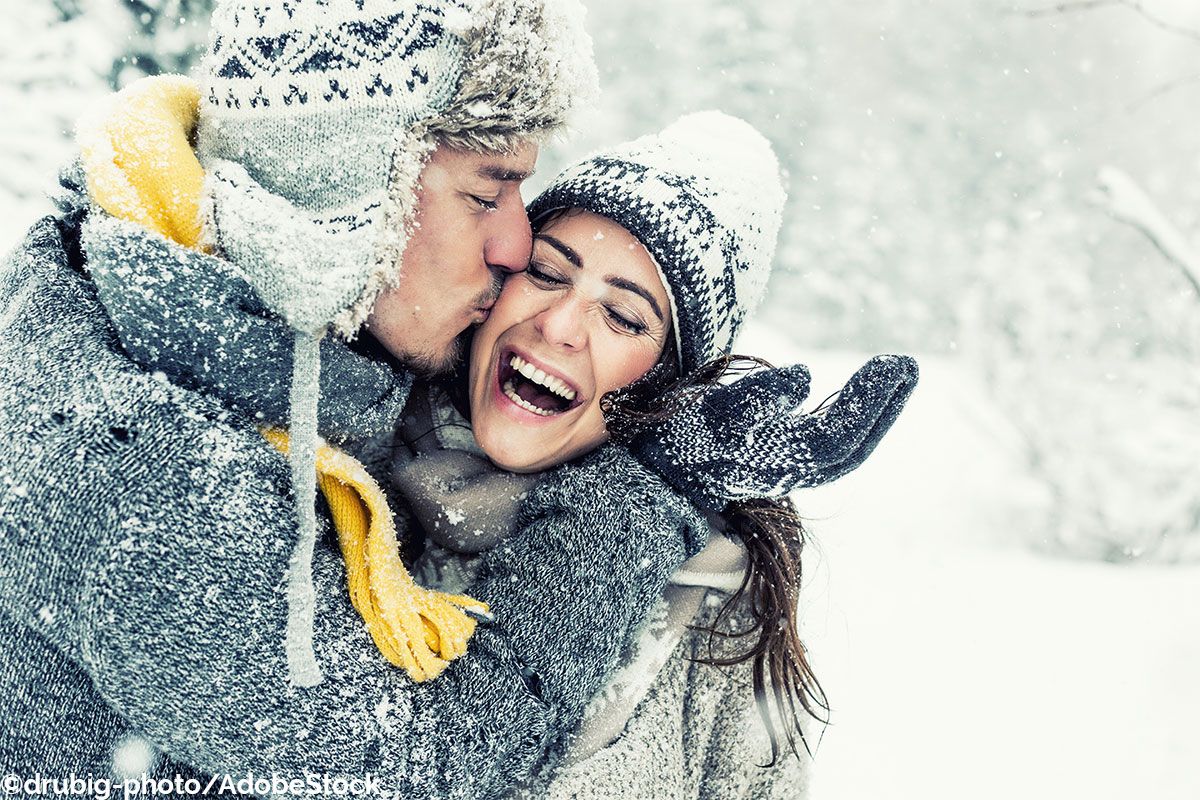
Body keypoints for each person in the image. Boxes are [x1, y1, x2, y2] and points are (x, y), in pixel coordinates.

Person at [390, 112, 920, 797]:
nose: (557, 325)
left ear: (667, 382)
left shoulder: (716, 614)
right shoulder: (341, 469)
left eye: (623, 316)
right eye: (548, 273)